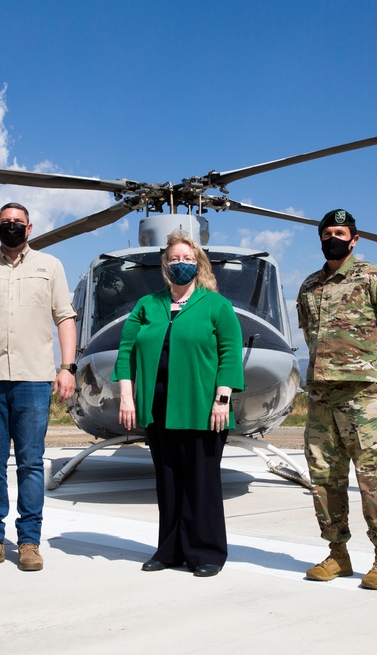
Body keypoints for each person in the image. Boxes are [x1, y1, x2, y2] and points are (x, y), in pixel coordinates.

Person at [0, 202, 76, 572]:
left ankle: (28, 542)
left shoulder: (50, 267)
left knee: (31, 464)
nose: (11, 227)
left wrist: (67, 368)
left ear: (30, 227)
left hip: (34, 379)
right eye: (6, 222)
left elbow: (65, 318)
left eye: (17, 222)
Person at [113, 229, 245, 577]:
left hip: (203, 408)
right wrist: (127, 397)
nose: (181, 264)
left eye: (188, 258)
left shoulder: (216, 305)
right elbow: (126, 352)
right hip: (159, 409)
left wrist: (222, 399)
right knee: (167, 481)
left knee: (202, 482)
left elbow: (231, 353)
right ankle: (169, 549)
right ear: (165, 264)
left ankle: (207, 552)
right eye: (175, 259)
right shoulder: (148, 305)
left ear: (198, 263)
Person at [295, 208, 377, 590]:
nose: (334, 237)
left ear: (354, 238)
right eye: (327, 231)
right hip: (321, 396)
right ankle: (337, 553)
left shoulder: (374, 278)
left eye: (340, 232)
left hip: (364, 396)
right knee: (324, 478)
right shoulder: (309, 286)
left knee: (371, 478)